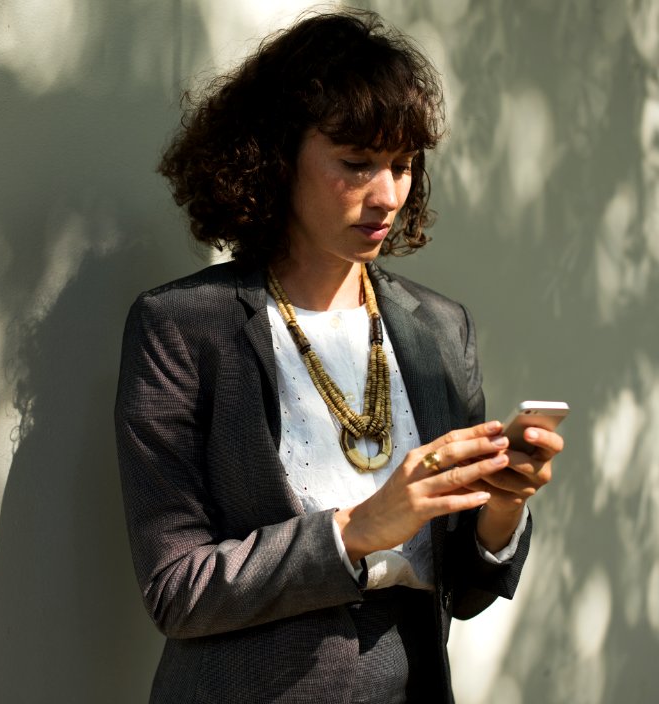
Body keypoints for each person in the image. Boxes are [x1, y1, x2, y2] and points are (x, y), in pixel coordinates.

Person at [114, 9, 563, 703]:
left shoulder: (440, 330)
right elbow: (177, 589)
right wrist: (355, 531)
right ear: (276, 156)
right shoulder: (181, 329)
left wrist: (501, 510)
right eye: (356, 164)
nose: (387, 195)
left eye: (403, 166)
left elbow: (466, 594)